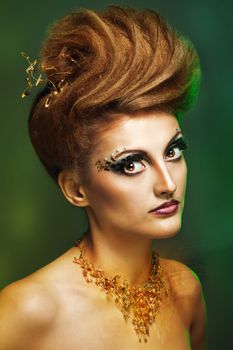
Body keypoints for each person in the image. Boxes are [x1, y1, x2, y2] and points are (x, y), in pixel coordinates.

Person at [0, 5, 207, 349]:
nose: (167, 184)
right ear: (76, 189)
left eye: (172, 152)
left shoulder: (186, 291)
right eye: (131, 164)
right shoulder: (30, 309)